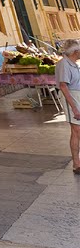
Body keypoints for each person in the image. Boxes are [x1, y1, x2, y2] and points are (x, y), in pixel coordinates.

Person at [57, 40, 80, 174]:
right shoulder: (64, 64)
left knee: (76, 131)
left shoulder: (73, 64)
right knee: (77, 130)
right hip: (71, 98)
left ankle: (77, 163)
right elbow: (63, 86)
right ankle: (76, 164)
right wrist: (74, 108)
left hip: (76, 97)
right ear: (75, 51)